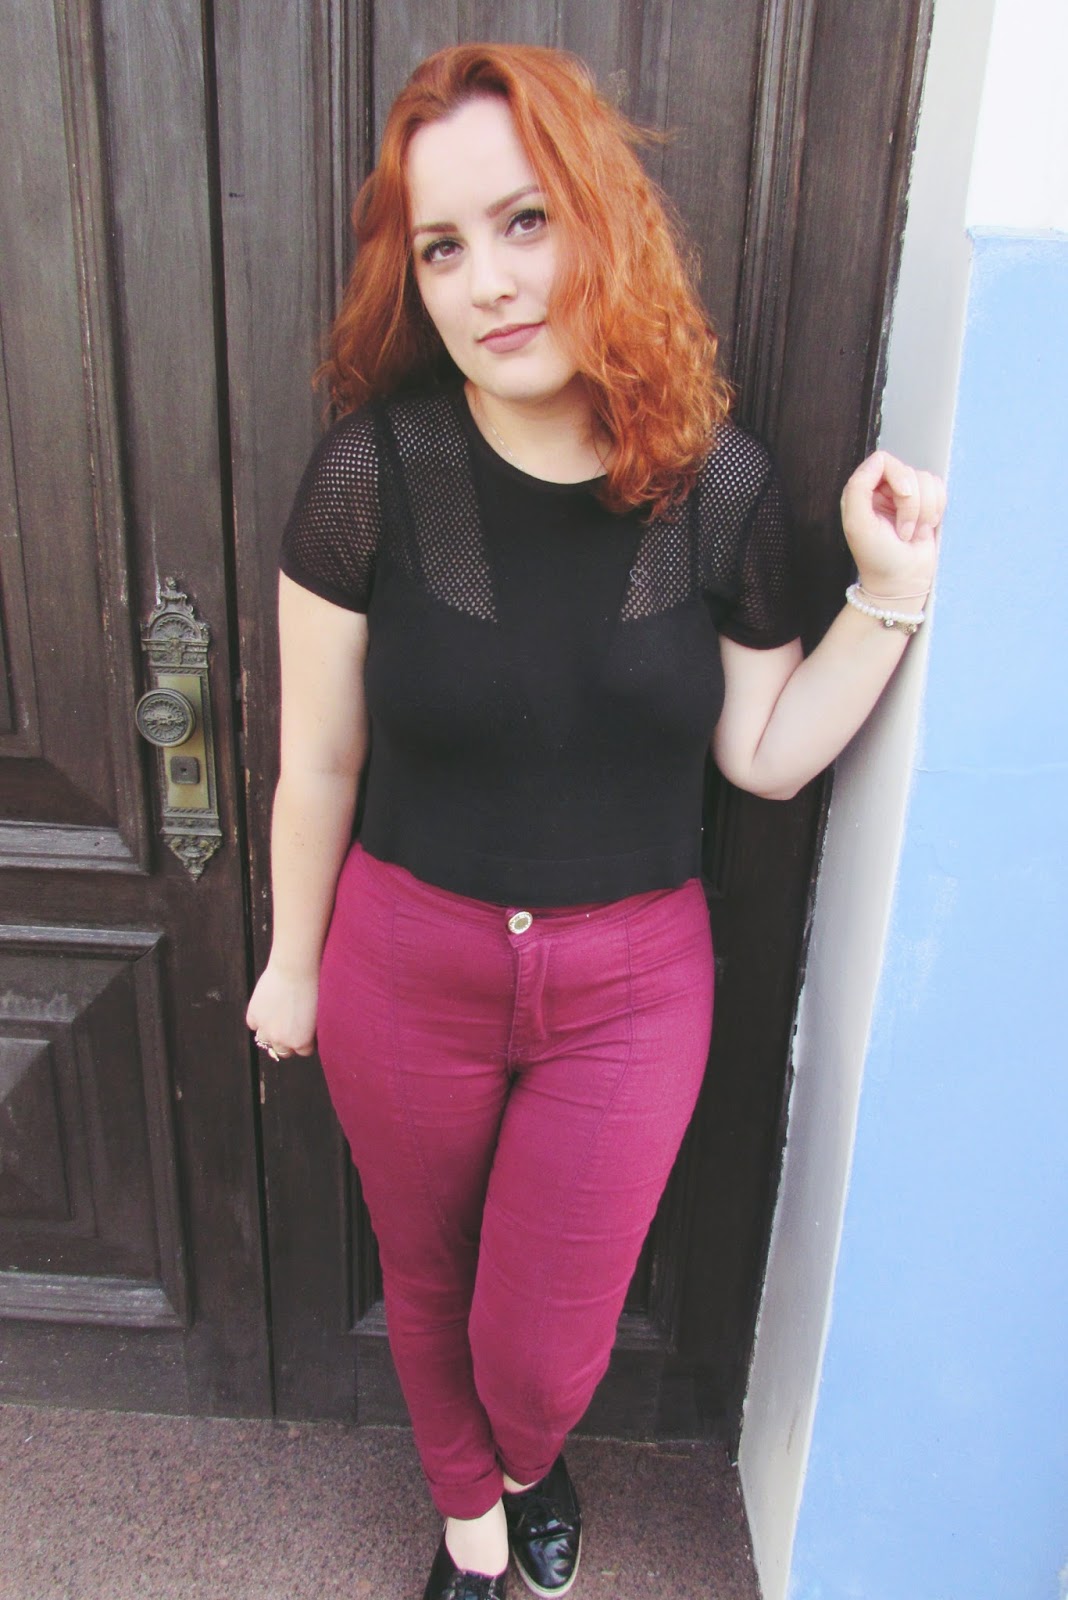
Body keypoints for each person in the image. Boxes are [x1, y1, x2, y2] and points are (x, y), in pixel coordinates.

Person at [246, 41, 944, 1600]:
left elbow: (766, 757)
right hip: (405, 958)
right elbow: (320, 762)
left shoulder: (718, 487)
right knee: (424, 1274)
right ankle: (474, 1531)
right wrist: (294, 962)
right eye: (442, 247)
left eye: (524, 221)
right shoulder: (370, 476)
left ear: (603, 225)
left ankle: (523, 1454)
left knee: (540, 1344)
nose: (486, 281)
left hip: (630, 983)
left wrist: (889, 596)